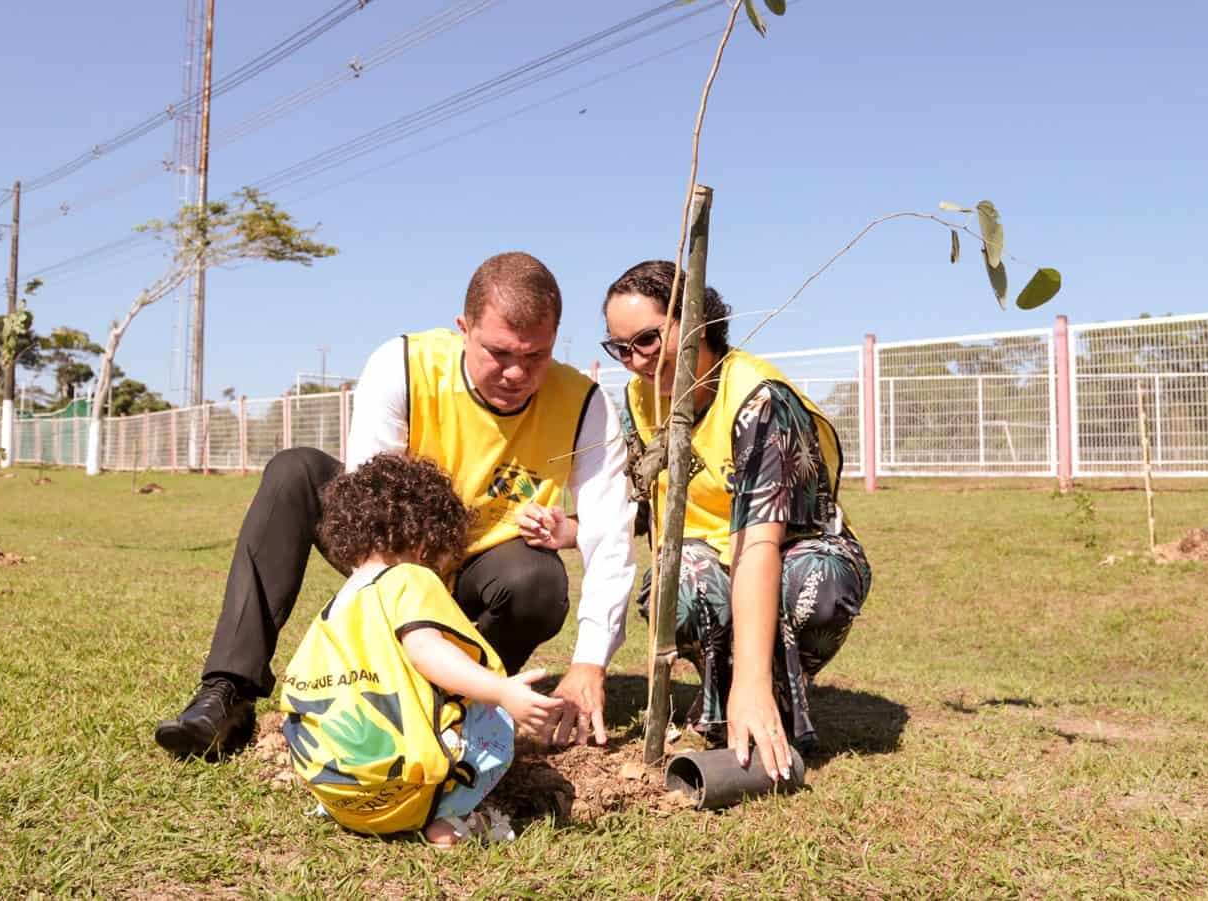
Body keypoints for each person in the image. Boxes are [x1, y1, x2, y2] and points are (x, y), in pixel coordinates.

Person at [154, 252, 635, 758]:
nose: (517, 373)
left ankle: (450, 702)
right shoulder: (401, 365)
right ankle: (227, 692)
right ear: (463, 329)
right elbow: (371, 517)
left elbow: (610, 537)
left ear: (555, 337)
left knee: (538, 581)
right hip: (393, 546)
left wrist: (589, 663)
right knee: (293, 472)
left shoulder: (587, 405)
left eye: (535, 356)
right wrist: (382, 632)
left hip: (482, 566)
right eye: (498, 353)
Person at [600, 259, 871, 782]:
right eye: (620, 348)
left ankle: (765, 691)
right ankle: (728, 702)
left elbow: (760, 543)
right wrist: (567, 528)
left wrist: (752, 679)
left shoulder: (759, 399)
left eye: (648, 341)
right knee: (679, 584)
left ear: (696, 321)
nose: (635, 362)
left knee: (816, 581)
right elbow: (645, 503)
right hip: (709, 562)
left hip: (787, 552)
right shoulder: (641, 399)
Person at [280, 453, 561, 845]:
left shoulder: (339, 603)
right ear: (428, 542)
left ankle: (349, 809)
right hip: (406, 792)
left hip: (339, 791)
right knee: (493, 718)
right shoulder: (409, 578)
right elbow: (428, 651)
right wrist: (501, 692)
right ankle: (448, 818)